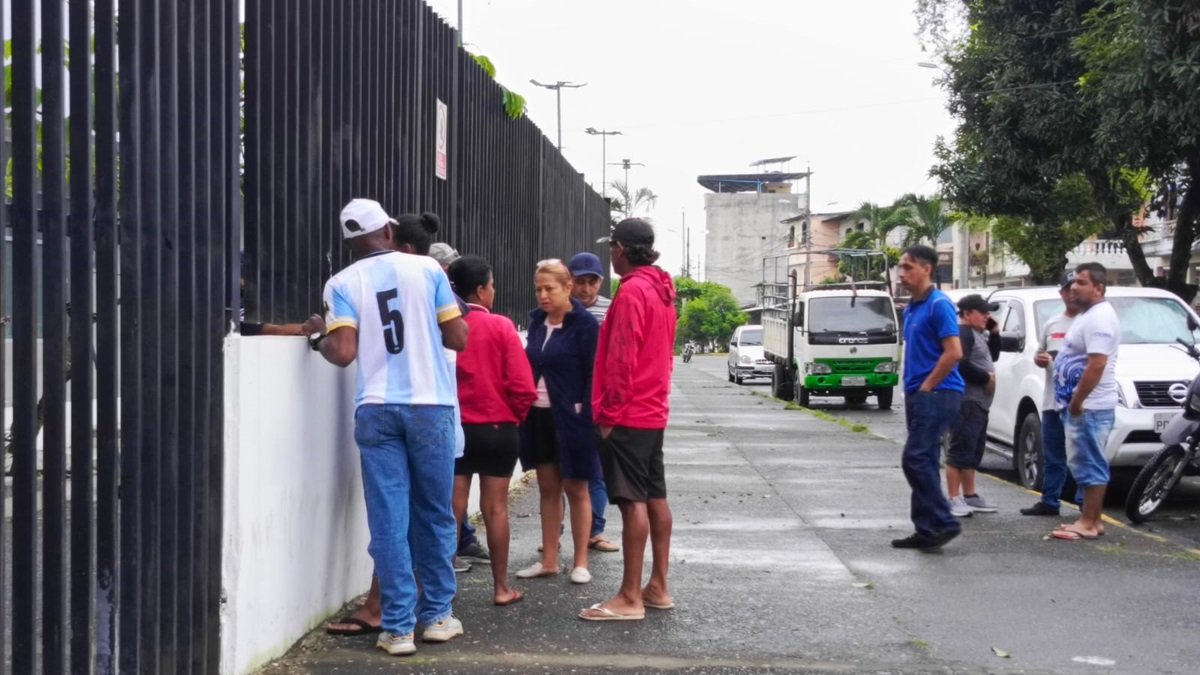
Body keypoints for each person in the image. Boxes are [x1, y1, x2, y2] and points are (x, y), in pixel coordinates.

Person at [303, 200, 468, 656]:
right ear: (390, 230)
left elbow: (343, 352)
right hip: (429, 405)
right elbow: (458, 338)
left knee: (388, 520)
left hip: (375, 407)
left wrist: (318, 337)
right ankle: (436, 616)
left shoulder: (341, 282)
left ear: (352, 243)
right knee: (434, 512)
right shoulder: (428, 270)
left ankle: (397, 629)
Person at [580, 218, 677, 622]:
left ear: (620, 248)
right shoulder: (663, 289)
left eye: (612, 249)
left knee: (631, 501)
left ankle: (629, 597)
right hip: (652, 409)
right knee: (655, 496)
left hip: (629, 412)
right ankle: (657, 586)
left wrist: (608, 414)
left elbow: (621, 358)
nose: (611, 256)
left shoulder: (632, 291)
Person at [446, 255, 537, 606]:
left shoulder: (445, 326)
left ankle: (444, 593)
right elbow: (523, 386)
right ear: (482, 290)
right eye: (492, 285)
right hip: (498, 429)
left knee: (452, 508)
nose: (494, 291)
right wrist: (513, 416)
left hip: (457, 428)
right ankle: (501, 588)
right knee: (495, 509)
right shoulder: (501, 327)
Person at [516, 259, 602, 585]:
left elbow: (595, 373)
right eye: (538, 289)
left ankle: (581, 562)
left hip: (572, 417)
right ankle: (549, 559)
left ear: (568, 287)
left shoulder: (585, 326)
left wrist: (587, 413)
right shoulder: (537, 322)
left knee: (577, 487)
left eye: (549, 288)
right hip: (537, 415)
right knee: (548, 487)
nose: (542, 295)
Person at [891, 244, 965, 550]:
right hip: (918, 393)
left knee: (916, 458)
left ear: (926, 269)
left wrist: (927, 386)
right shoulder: (912, 307)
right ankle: (926, 529)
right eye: (901, 267)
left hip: (938, 393)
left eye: (908, 267)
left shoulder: (939, 304)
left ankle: (944, 520)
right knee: (926, 459)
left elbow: (954, 353)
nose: (902, 273)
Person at [428, 240, 490, 567]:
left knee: (449, 498)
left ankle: (454, 550)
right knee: (446, 501)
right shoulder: (441, 305)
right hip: (445, 417)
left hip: (451, 416)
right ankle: (446, 564)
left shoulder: (443, 304)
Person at [1050, 262, 1120, 541]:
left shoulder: (1099, 318)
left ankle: (1089, 523)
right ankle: (1091, 519)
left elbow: (1097, 364)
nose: (1074, 287)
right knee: (1083, 463)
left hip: (1089, 408)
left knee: (1089, 464)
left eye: (1081, 282)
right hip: (1082, 407)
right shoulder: (1087, 314)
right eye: (1073, 282)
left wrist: (1077, 402)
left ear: (1099, 288)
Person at [568, 251, 620, 554]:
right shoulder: (559, 309)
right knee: (565, 474)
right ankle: (558, 531)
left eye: (592, 282)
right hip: (566, 398)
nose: (586, 289)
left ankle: (595, 531)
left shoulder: (611, 310)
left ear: (600, 282)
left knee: (597, 470)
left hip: (598, 400)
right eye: (580, 282)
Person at [1021, 274, 1084, 517]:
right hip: (1051, 401)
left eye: (1077, 288)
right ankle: (1049, 500)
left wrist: (1055, 363)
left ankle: (1084, 504)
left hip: (1080, 403)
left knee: (1080, 454)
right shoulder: (1051, 324)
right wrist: (1041, 360)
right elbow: (1040, 354)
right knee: (1053, 456)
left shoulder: (1089, 323)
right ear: (1062, 293)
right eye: (1068, 288)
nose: (1072, 293)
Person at [946, 294, 1001, 518]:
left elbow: (993, 356)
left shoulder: (977, 334)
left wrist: (995, 332)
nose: (987, 315)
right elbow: (961, 363)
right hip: (966, 401)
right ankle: (953, 497)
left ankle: (970, 495)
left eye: (989, 312)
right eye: (983, 312)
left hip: (979, 403)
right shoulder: (964, 333)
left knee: (972, 450)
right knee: (959, 451)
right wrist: (985, 378)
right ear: (967, 313)